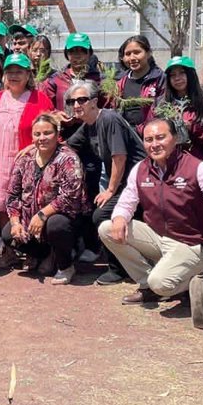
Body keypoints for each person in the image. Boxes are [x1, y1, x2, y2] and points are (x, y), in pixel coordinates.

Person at [101, 118, 203, 304]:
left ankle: (185, 281)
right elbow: (126, 203)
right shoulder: (140, 169)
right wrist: (119, 218)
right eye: (149, 140)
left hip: (194, 245)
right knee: (107, 228)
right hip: (160, 238)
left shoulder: (197, 168)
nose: (154, 144)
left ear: (175, 138)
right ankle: (149, 286)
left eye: (160, 137)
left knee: (160, 282)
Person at [0, 53, 54, 258]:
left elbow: (52, 131)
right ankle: (11, 249)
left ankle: (35, 251)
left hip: (30, 166)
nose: (14, 76)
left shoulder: (40, 99)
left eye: (19, 71)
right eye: (10, 71)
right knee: (2, 205)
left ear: (28, 75)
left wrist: (35, 148)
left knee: (29, 204)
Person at [63, 79, 145, 284]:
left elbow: (120, 157)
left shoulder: (108, 119)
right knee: (97, 212)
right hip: (124, 184)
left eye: (81, 99)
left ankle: (119, 269)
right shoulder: (88, 126)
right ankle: (121, 266)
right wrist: (34, 146)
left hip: (139, 182)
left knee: (102, 214)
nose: (76, 105)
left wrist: (110, 190)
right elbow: (66, 147)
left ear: (94, 101)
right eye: (71, 101)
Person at [3, 112, 87, 284]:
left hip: (62, 218)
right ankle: (45, 254)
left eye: (47, 133)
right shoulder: (25, 158)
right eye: (37, 134)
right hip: (30, 218)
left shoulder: (68, 158)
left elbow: (70, 196)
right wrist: (15, 222)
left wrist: (42, 215)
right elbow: (12, 194)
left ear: (57, 134)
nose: (42, 138)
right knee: (8, 235)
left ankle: (65, 265)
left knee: (56, 226)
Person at [142, 56, 203, 163]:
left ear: (191, 75)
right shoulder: (160, 104)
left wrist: (192, 128)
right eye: (173, 75)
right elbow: (149, 128)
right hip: (168, 161)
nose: (177, 78)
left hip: (197, 160)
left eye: (182, 73)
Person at [115, 35, 165, 128]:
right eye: (128, 54)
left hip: (151, 135)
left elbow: (163, 111)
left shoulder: (160, 79)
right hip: (125, 134)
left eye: (137, 52)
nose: (132, 58)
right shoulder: (119, 82)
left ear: (148, 53)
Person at [44, 33, 101, 112]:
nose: (77, 55)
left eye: (82, 51)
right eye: (72, 51)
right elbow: (46, 110)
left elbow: (107, 110)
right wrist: (57, 116)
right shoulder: (55, 80)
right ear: (66, 54)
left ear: (90, 53)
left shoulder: (100, 80)